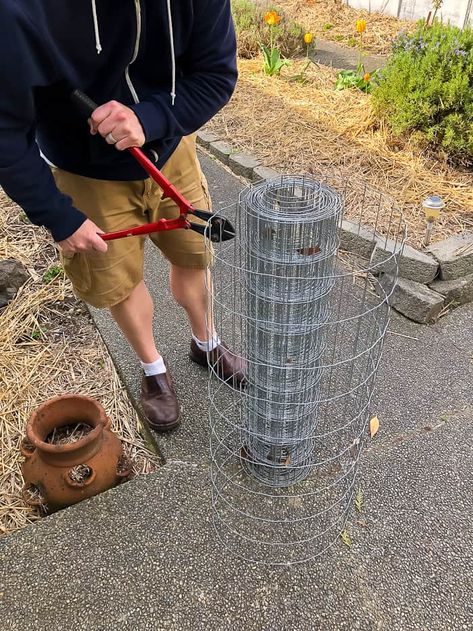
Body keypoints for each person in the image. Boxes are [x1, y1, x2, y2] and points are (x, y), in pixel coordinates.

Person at [0, 1, 244, 432]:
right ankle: (153, 369)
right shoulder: (21, 11)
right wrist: (58, 216)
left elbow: (216, 74)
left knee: (194, 256)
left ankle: (206, 343)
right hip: (85, 171)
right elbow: (5, 133)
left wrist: (149, 118)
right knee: (119, 282)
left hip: (170, 149)